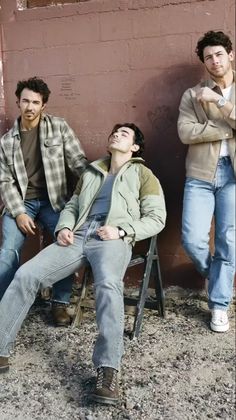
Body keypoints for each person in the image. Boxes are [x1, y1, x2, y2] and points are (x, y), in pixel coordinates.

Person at [0, 122, 166, 405]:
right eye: (114, 131)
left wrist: (122, 232)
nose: (116, 134)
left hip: (112, 238)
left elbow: (156, 218)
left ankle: (108, 370)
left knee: (109, 285)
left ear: (135, 146)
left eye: (124, 134)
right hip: (77, 236)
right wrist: (63, 227)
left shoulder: (143, 174)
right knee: (27, 274)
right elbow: (73, 206)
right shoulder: (92, 171)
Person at [0, 77, 88, 326]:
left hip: (54, 200)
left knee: (65, 243)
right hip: (21, 203)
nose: (30, 107)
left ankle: (59, 304)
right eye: (25, 101)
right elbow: (4, 182)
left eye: (35, 102)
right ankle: (4, 307)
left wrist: (95, 189)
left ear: (43, 105)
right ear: (18, 102)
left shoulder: (59, 127)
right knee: (8, 251)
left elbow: (78, 162)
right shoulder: (7, 142)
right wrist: (18, 213)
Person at [178, 31, 235, 333]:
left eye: (219, 54)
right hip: (200, 175)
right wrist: (228, 128)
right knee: (192, 238)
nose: (214, 61)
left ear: (230, 55)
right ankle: (218, 279)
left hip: (233, 177)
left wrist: (219, 102)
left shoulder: (216, 94)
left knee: (227, 240)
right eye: (208, 57)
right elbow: (185, 133)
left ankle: (220, 304)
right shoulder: (192, 94)